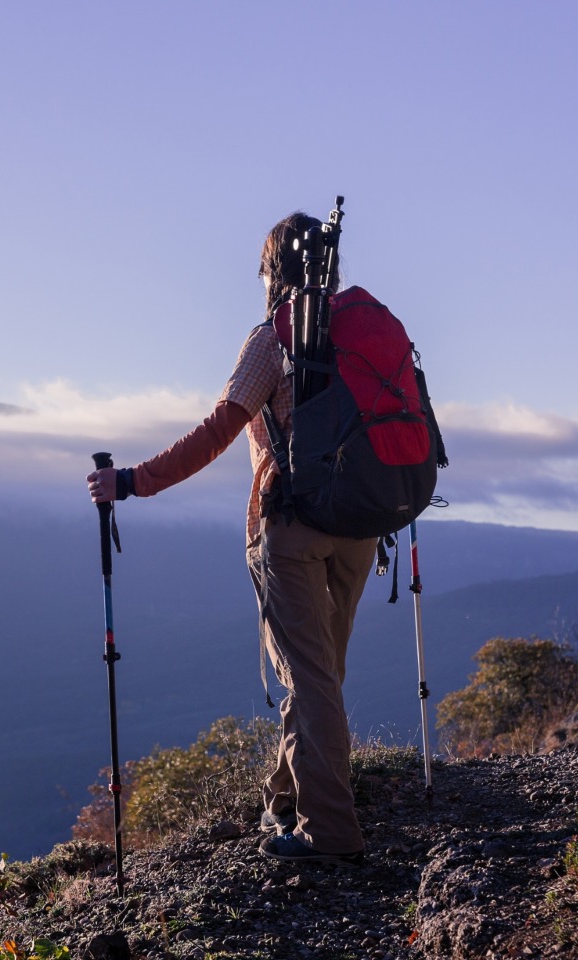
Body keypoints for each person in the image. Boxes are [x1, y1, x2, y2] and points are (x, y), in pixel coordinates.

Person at [86, 211, 375, 866]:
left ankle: (330, 831)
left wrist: (131, 482)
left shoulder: (273, 338)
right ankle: (284, 798)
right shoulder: (360, 329)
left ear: (272, 272)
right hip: (361, 525)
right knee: (322, 673)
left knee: (309, 679)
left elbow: (218, 430)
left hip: (292, 527)